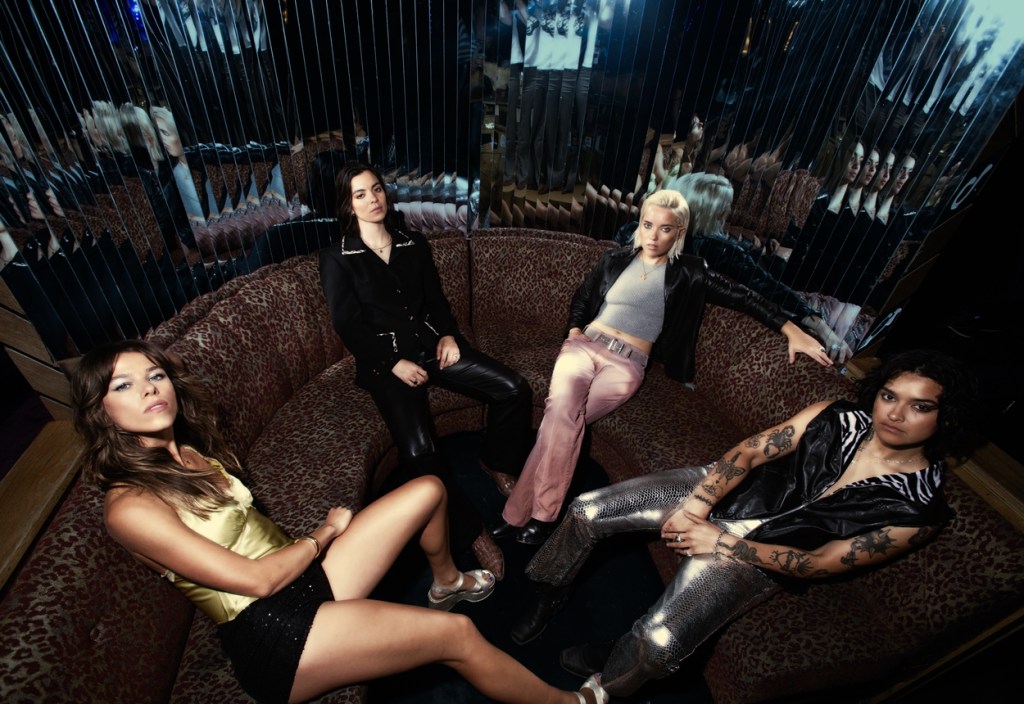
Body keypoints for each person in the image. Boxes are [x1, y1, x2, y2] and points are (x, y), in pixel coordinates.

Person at [70, 339, 609, 704]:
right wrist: (326, 533)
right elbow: (256, 582)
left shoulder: (186, 452)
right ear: (101, 411)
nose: (148, 389)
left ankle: (446, 582)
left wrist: (317, 548)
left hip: (301, 578)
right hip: (273, 632)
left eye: (155, 374)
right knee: (458, 636)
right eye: (123, 386)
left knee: (427, 488)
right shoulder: (129, 506)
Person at [509, 348, 981, 697]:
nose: (895, 413)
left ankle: (602, 689)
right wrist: (698, 505)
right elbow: (753, 450)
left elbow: (819, 564)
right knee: (587, 510)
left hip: (763, 557)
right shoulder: (836, 418)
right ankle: (551, 590)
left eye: (920, 406)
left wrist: (720, 542)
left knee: (658, 644)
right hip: (722, 494)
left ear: (946, 417)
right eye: (888, 395)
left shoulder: (919, 511)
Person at [490, 189, 834, 550]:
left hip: (627, 364)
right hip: (584, 347)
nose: (653, 236)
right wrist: (575, 330)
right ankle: (543, 517)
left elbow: (744, 296)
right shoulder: (614, 259)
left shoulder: (689, 272)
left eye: (665, 229)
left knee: (556, 424)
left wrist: (791, 328)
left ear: (680, 231)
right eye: (647, 224)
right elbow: (583, 297)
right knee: (561, 412)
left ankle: (513, 514)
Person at [319, 162, 533, 580]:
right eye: (360, 194)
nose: (373, 199)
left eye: (376, 189)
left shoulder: (412, 243)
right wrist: (392, 363)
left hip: (431, 347)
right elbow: (349, 325)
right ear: (347, 204)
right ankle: (470, 533)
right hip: (387, 362)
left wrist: (450, 336)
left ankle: (496, 460)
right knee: (420, 454)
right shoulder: (335, 257)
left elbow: (435, 302)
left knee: (514, 388)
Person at [670, 172, 853, 362]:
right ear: (713, 211)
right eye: (727, 205)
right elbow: (770, 287)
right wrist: (823, 328)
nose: (730, 210)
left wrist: (759, 251)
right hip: (783, 287)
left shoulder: (674, 238)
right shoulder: (718, 249)